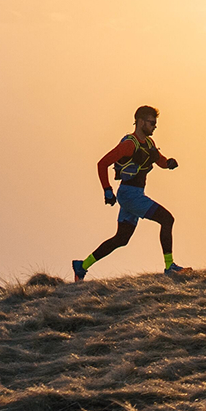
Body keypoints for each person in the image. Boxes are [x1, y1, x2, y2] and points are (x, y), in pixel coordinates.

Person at [72, 105, 191, 282]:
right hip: (130, 195)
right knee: (167, 219)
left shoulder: (149, 144)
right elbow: (102, 163)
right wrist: (107, 190)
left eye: (155, 124)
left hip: (134, 194)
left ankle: (82, 266)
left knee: (121, 238)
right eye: (152, 123)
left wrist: (170, 164)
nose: (154, 127)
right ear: (140, 121)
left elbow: (161, 161)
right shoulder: (129, 144)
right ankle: (170, 267)